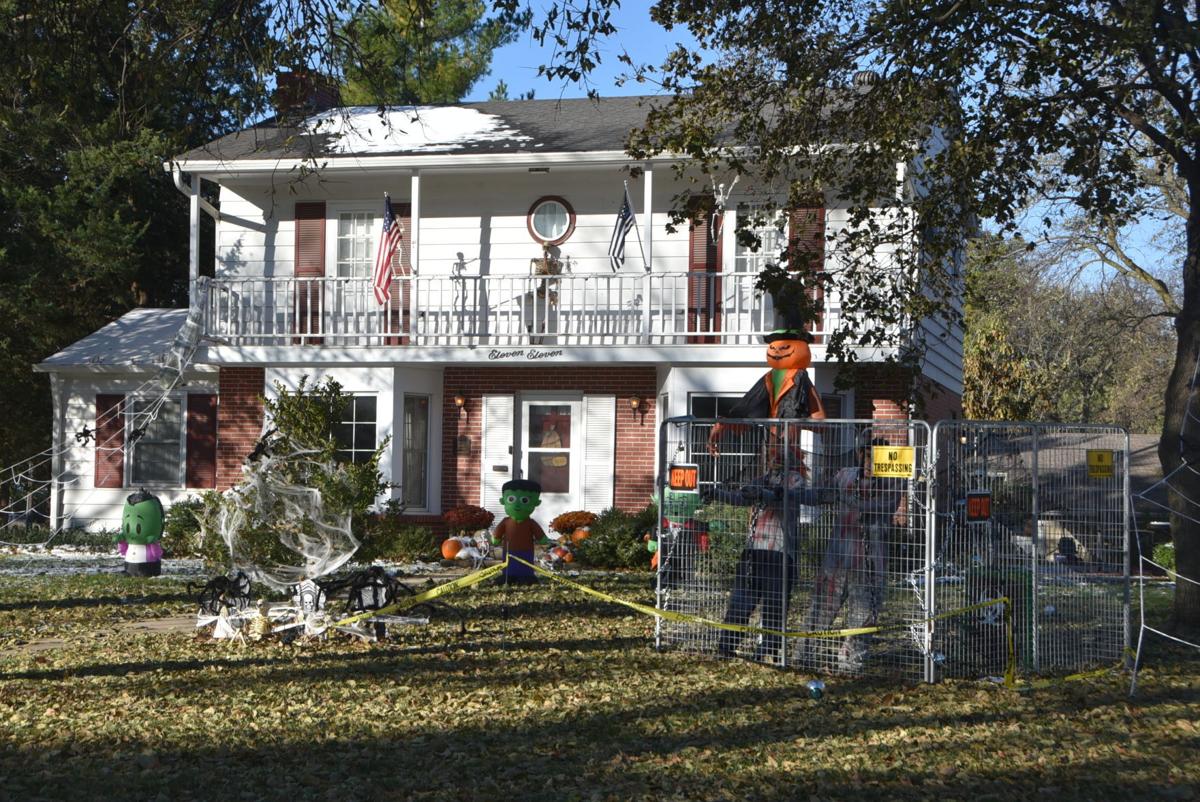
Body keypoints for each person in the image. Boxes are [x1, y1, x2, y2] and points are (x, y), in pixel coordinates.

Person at [798, 433, 907, 671]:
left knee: (864, 618)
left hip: (870, 564)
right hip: (837, 560)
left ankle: (850, 665)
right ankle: (802, 660)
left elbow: (885, 505)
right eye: (867, 456)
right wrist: (788, 494)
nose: (870, 463)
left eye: (877, 458)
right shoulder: (845, 475)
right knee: (820, 613)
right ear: (860, 455)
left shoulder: (893, 481)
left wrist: (847, 499)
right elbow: (819, 495)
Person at [711, 458, 825, 664]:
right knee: (740, 604)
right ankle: (726, 647)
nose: (775, 457)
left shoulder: (795, 480)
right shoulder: (760, 479)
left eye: (779, 451)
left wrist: (763, 494)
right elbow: (741, 498)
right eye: (772, 451)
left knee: (775, 608)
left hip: (781, 555)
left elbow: (784, 497)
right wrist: (716, 493)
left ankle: (770, 653)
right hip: (754, 552)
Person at [707, 328, 826, 461]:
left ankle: (783, 452)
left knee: (790, 431)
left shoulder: (798, 376)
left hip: (785, 444)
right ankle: (779, 453)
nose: (776, 351)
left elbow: (797, 410)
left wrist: (794, 427)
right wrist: (722, 424)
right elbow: (748, 403)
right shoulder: (770, 378)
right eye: (772, 347)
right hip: (777, 441)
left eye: (785, 347)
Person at [491, 479, 548, 585]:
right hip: (509, 551)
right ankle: (508, 576)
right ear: (503, 501)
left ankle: (526, 577)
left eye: (525, 501)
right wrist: (496, 538)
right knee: (509, 565)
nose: (517, 505)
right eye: (511, 499)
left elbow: (540, 535)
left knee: (525, 565)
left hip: (526, 551)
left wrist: (543, 539)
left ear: (536, 503)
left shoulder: (530, 523)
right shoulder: (506, 522)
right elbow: (497, 533)